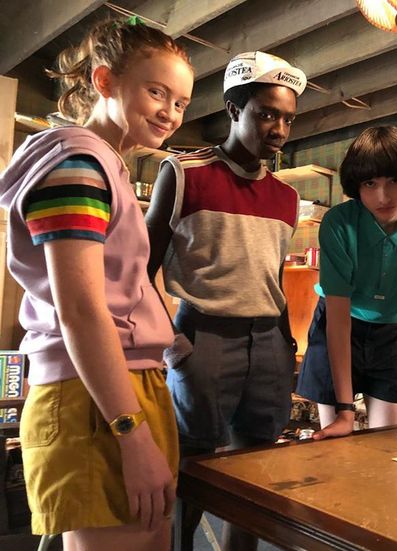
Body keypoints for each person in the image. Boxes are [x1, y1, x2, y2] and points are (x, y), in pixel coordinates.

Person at [0, 17, 192, 550]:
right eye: (156, 91)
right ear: (104, 81)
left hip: (119, 386)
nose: (170, 113)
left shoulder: (106, 165)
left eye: (180, 102)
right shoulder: (77, 165)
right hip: (96, 398)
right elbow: (82, 311)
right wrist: (130, 433)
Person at [145, 51, 305, 549]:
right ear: (235, 109)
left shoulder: (287, 197)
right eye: (266, 113)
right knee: (191, 467)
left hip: (269, 339)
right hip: (204, 334)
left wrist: (284, 344)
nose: (278, 127)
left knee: (256, 469)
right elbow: (140, 268)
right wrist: (172, 344)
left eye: (286, 118)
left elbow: (271, 275)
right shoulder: (185, 173)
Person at [295, 126, 397, 439]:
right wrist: (344, 411)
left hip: (390, 332)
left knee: (388, 442)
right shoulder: (339, 223)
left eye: (393, 180)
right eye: (370, 183)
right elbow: (338, 316)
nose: (383, 196)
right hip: (339, 325)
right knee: (336, 442)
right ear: (357, 186)